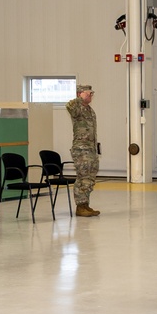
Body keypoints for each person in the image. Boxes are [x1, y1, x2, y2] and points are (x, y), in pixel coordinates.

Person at [66, 84, 100, 217]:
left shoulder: (89, 110)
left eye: (92, 93)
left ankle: (85, 204)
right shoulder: (77, 108)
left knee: (90, 176)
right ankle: (80, 206)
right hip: (81, 149)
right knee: (83, 176)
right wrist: (80, 98)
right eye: (88, 93)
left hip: (90, 148)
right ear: (80, 93)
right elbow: (69, 106)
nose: (91, 95)